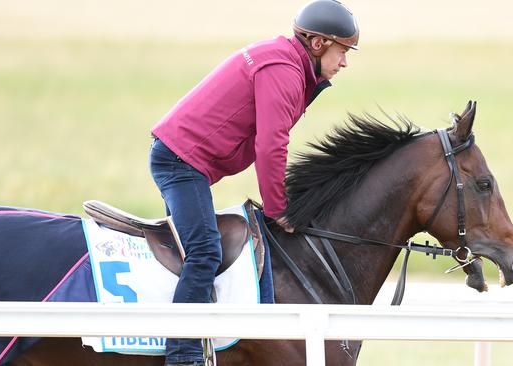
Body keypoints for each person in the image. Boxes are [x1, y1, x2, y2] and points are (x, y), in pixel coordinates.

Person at [148, 1, 359, 365]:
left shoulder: (286, 61)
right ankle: (182, 357)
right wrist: (279, 210)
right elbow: (271, 144)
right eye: (343, 51)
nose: (345, 62)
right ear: (320, 44)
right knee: (204, 253)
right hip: (180, 163)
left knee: (189, 255)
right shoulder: (284, 70)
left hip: (185, 159)